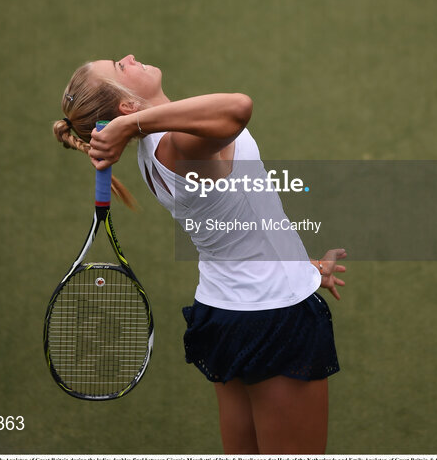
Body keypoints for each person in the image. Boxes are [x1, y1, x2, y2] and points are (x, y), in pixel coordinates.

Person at [54, 53, 347, 455]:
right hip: (273, 318)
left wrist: (301, 268)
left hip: (226, 310)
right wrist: (132, 124)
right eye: (120, 68)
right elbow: (238, 107)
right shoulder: (178, 144)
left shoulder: (155, 147)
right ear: (126, 107)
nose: (130, 57)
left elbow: (236, 217)